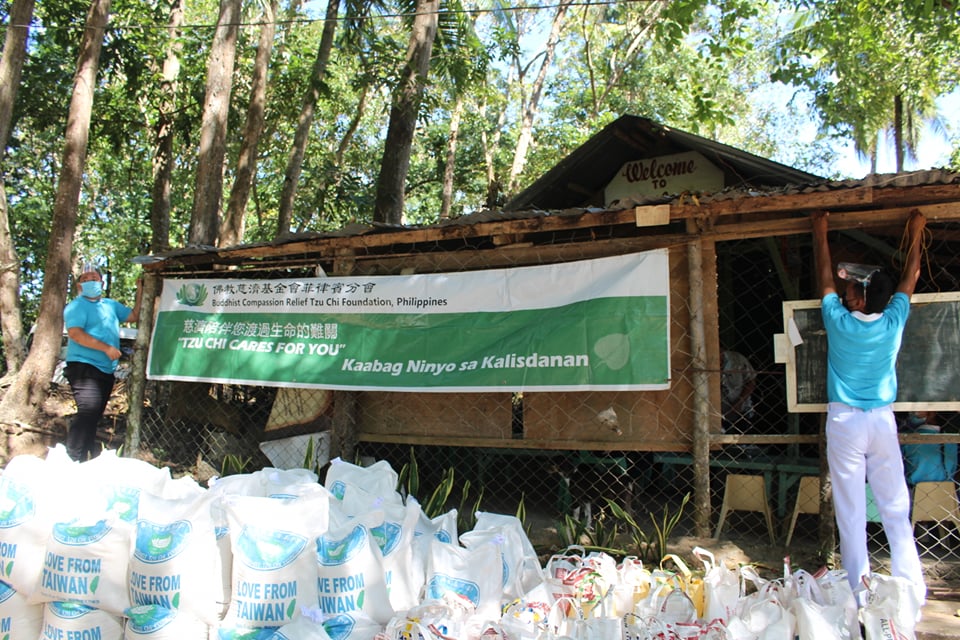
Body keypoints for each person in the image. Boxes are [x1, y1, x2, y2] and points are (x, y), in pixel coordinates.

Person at [811, 208, 927, 606]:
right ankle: (911, 586)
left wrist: (820, 231)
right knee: (895, 505)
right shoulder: (893, 321)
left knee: (851, 510)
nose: (846, 293)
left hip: (844, 421)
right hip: (881, 421)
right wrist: (916, 232)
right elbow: (910, 278)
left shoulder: (839, 321)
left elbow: (825, 277)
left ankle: (860, 593)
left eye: (852, 291)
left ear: (860, 299)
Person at [63, 263, 142, 461]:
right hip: (83, 367)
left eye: (94, 279)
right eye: (85, 279)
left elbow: (133, 316)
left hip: (105, 370)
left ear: (102, 282)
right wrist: (105, 348)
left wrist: (140, 289)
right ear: (79, 285)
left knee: (94, 414)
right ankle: (71, 458)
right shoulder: (76, 306)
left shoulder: (110, 305)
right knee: (88, 412)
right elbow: (76, 334)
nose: (90, 282)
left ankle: (85, 457)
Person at [901, 411, 957, 486]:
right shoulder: (952, 441)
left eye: (917, 410)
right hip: (946, 492)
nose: (913, 413)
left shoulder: (906, 439)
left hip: (913, 492)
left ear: (932, 413)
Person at [721, 349, 757, 434]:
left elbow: (751, 382)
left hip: (742, 409)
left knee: (744, 440)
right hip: (717, 412)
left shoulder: (737, 359)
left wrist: (739, 402)